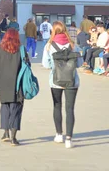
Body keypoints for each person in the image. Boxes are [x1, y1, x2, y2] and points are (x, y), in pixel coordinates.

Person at [42, 21, 81, 149]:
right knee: (70, 109)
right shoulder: (73, 45)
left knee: (57, 106)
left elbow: (46, 65)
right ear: (65, 30)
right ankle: (69, 139)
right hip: (72, 81)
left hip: (55, 81)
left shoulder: (49, 45)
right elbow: (79, 64)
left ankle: (59, 134)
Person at [0, 28, 26, 146]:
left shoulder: (0, 50)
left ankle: (5, 133)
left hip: (3, 83)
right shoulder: (21, 50)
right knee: (16, 109)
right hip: (17, 84)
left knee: (5, 107)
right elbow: (27, 66)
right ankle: (14, 137)